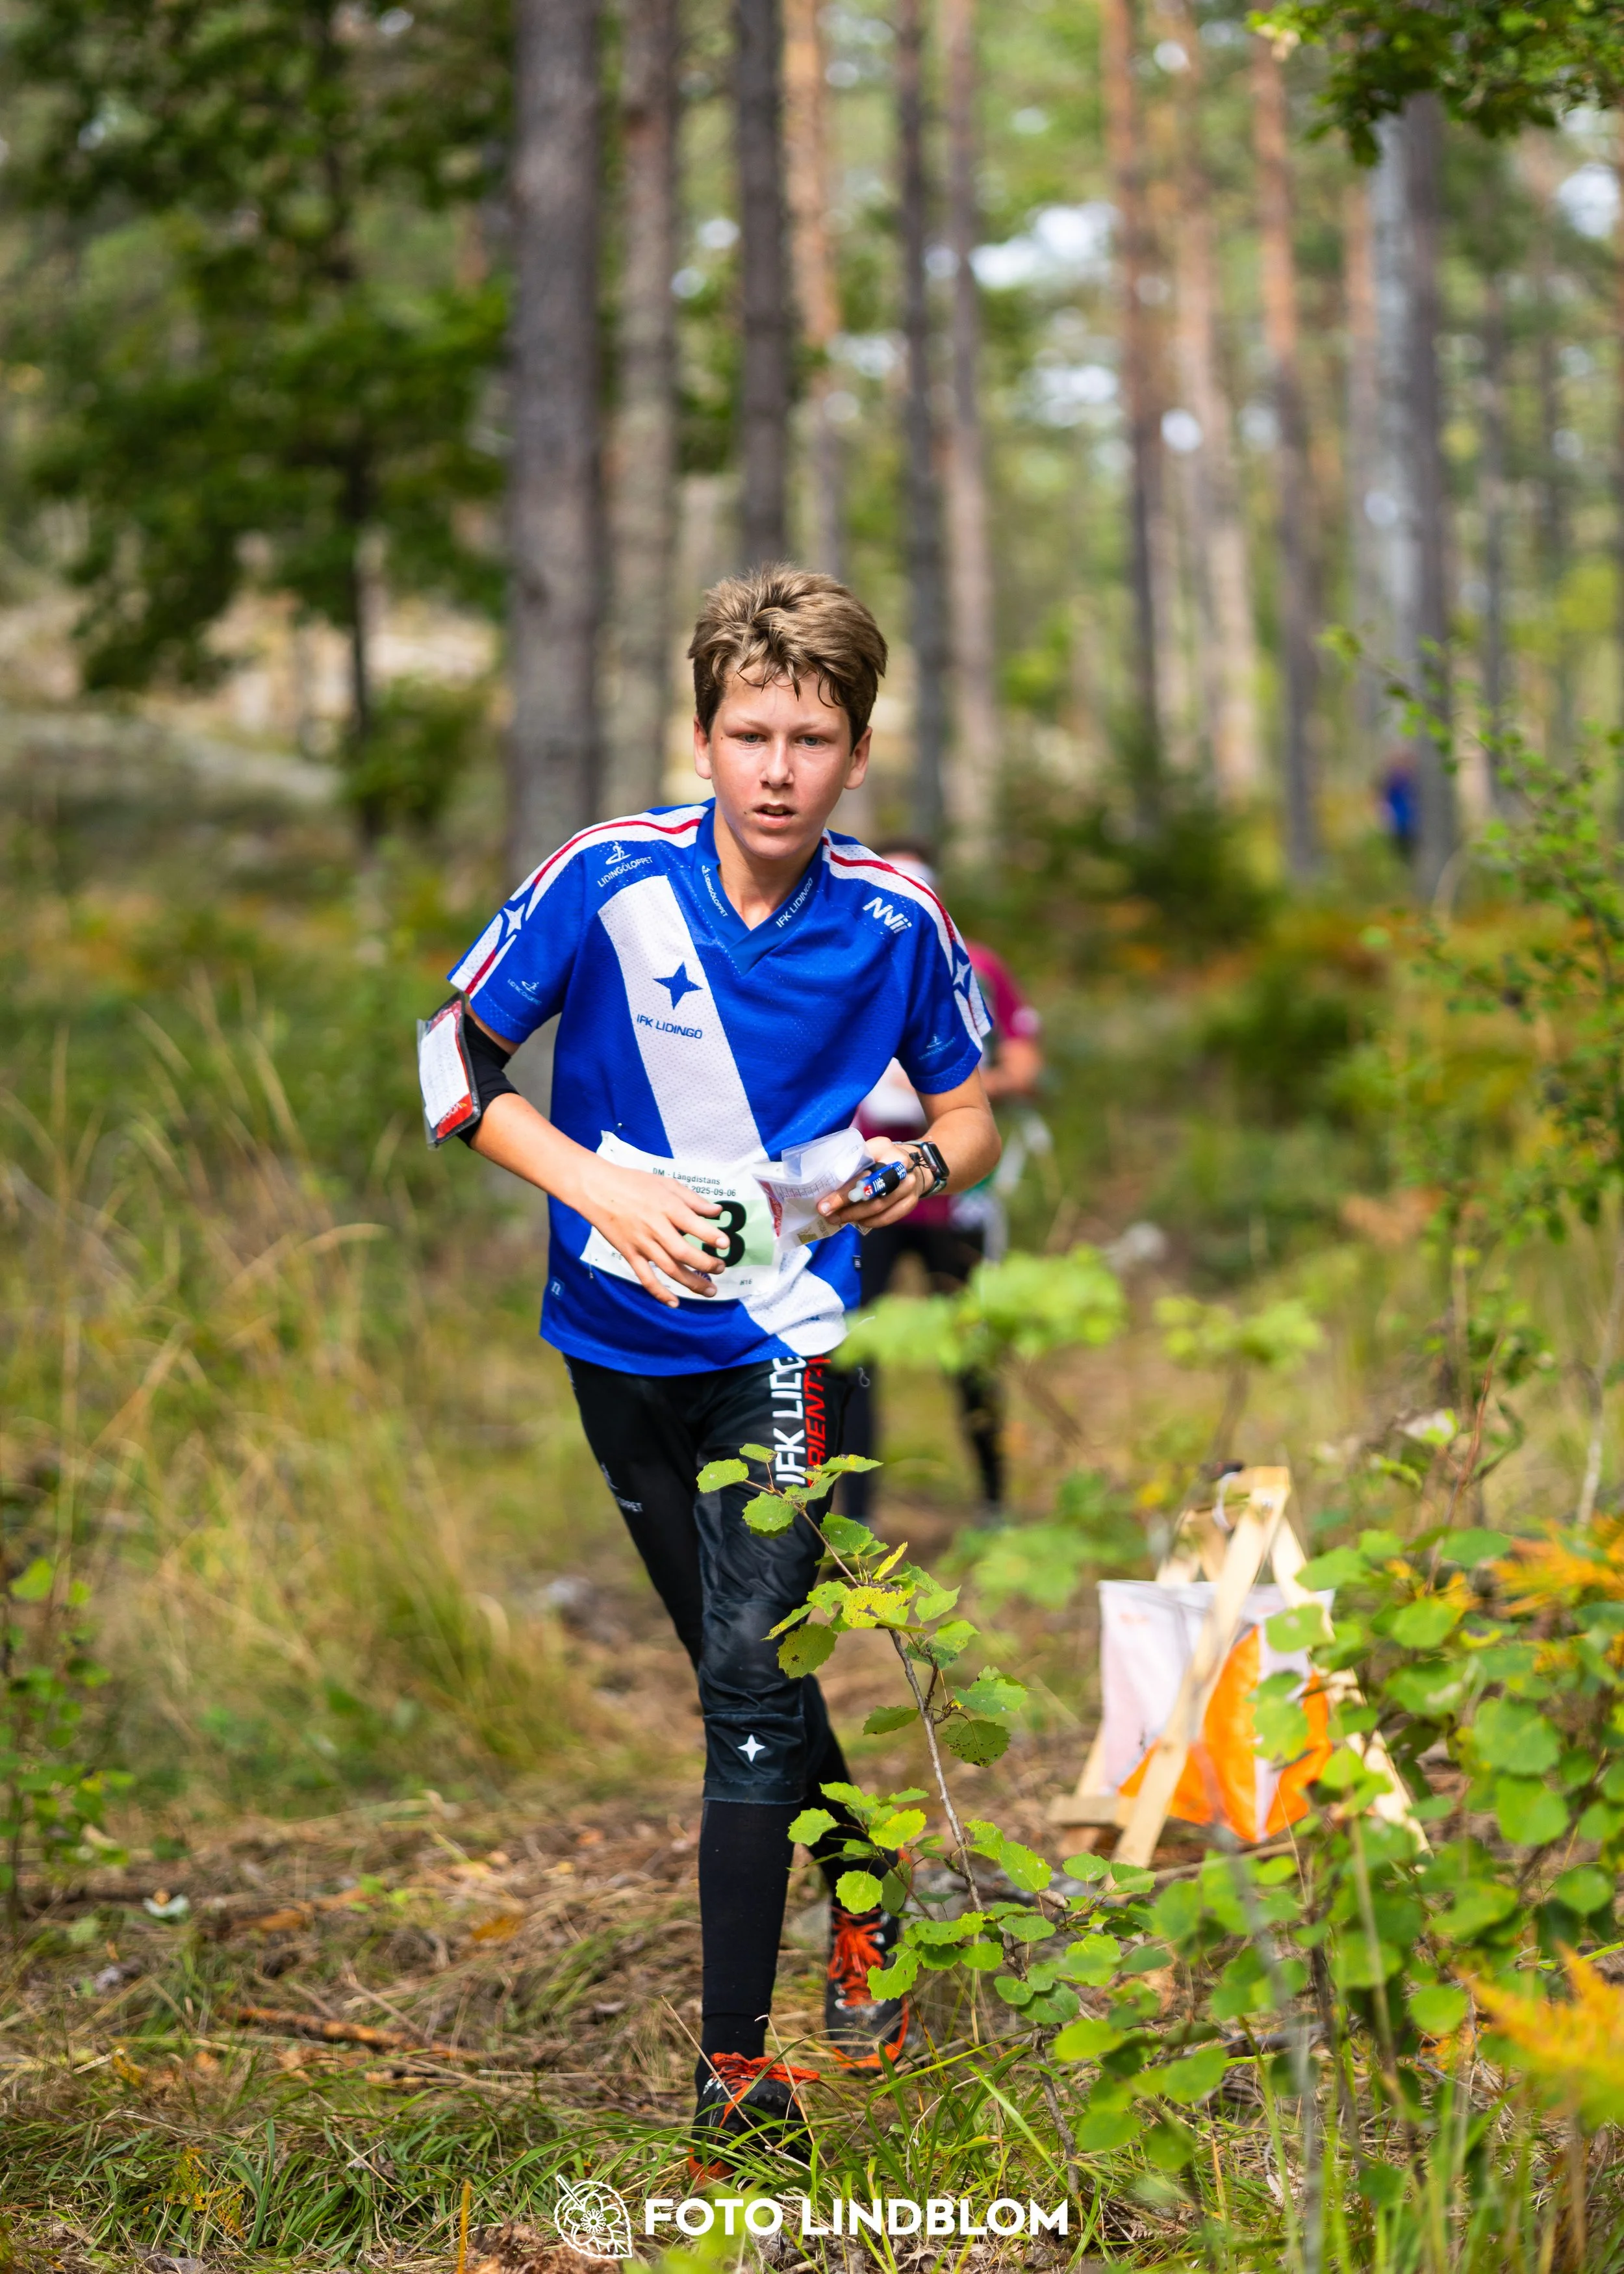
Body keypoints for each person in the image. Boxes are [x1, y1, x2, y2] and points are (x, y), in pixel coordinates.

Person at [429, 567, 999, 2169]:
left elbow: (968, 1112)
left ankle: (735, 2081)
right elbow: (450, 1059)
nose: (775, 767)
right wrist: (599, 1186)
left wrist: (909, 1177)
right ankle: (869, 1876)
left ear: (856, 756)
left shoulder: (894, 916)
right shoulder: (606, 876)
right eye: (749, 732)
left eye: (810, 738)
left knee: (749, 1697)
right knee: (733, 1669)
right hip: (611, 1332)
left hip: (789, 1337)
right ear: (700, 739)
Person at [843, 847, 1043, 1524]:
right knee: (853, 1348)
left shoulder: (975, 967)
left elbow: (1024, 1066)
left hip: (955, 1198)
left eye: (912, 881)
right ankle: (857, 1515)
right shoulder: (837, 959)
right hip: (860, 1199)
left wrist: (949, 1092)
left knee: (970, 1350)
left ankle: (993, 1499)